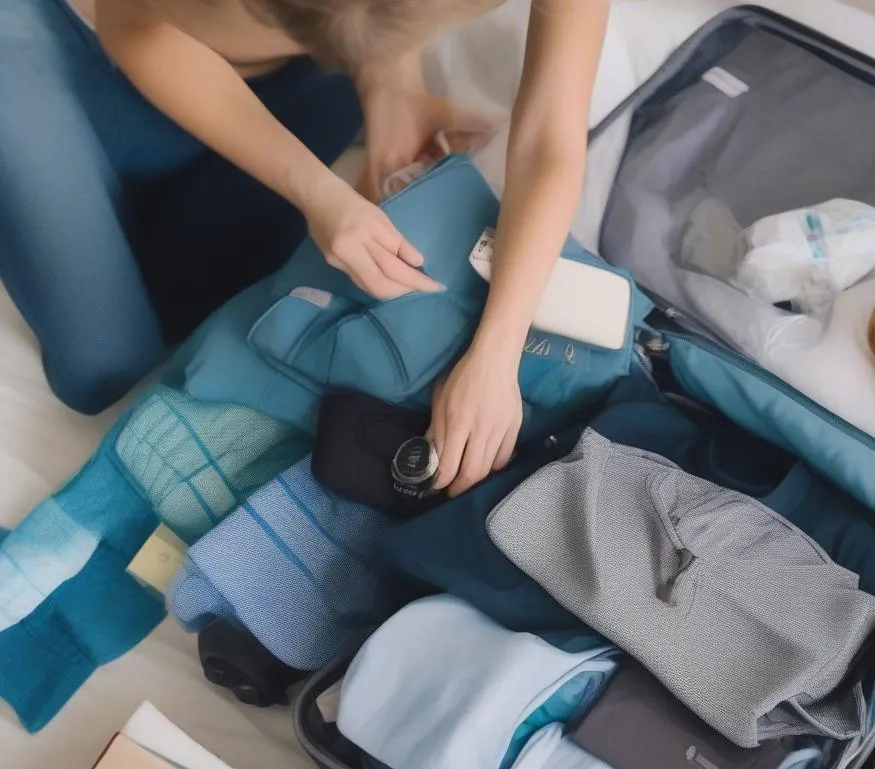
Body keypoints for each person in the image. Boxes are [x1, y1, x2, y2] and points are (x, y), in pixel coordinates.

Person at [0, 0, 609, 495]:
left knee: (226, 314)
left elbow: (549, 140)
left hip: (251, 67)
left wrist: (496, 353)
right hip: (54, 35)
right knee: (101, 372)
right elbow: (131, 22)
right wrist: (314, 190)